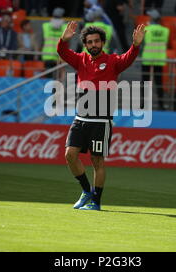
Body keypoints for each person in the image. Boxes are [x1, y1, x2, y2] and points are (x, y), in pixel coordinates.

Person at [57, 22, 146, 211]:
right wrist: (63, 41)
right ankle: (86, 191)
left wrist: (136, 45)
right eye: (89, 42)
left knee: (97, 162)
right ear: (85, 45)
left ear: (103, 42)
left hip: (101, 121)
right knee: (69, 155)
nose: (93, 45)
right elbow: (63, 53)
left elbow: (128, 59)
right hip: (81, 118)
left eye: (96, 41)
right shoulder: (80, 59)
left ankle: (96, 202)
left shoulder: (113, 61)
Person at [141, 9, 169, 110]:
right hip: (159, 58)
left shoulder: (146, 29)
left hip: (147, 58)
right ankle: (161, 105)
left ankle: (143, 105)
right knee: (159, 82)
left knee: (145, 82)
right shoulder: (165, 30)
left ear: (152, 18)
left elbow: (141, 43)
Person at [41, 7, 68, 75]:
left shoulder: (45, 26)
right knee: (58, 78)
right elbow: (68, 43)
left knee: (48, 79)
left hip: (47, 55)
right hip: (59, 56)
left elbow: (41, 42)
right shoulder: (65, 27)